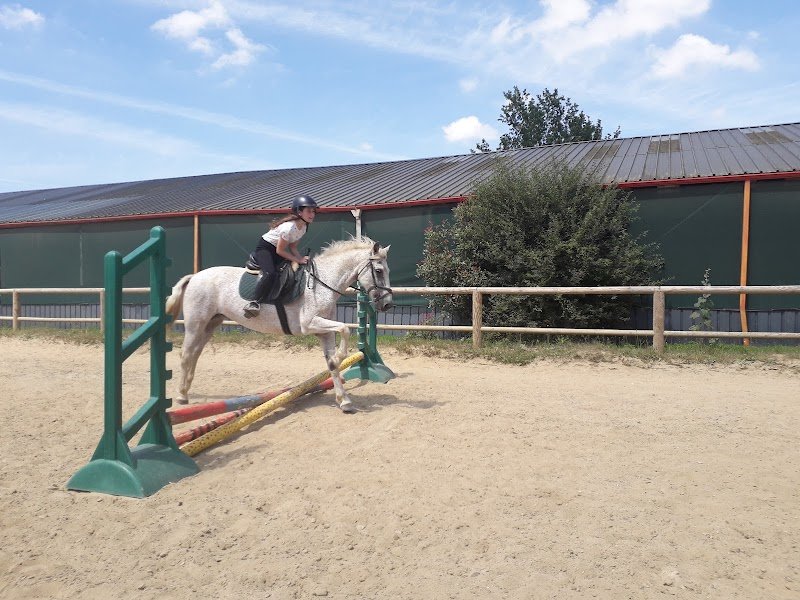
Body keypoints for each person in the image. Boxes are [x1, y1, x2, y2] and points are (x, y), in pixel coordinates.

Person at [244, 195, 318, 317]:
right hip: (266, 249)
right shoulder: (288, 228)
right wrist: (298, 259)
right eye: (309, 211)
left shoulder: (304, 227)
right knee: (270, 273)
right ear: (299, 212)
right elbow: (280, 251)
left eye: (313, 211)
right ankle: (254, 302)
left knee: (291, 272)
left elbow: (293, 247)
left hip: (278, 250)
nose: (312, 214)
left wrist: (301, 259)